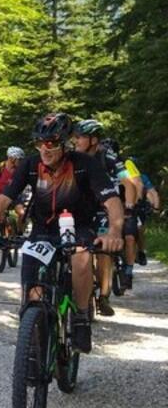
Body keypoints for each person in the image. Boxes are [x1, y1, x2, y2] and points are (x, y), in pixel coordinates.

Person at [0, 113, 124, 353]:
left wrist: (114, 231)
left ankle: (81, 317)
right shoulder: (31, 165)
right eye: (40, 142)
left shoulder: (85, 164)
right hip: (43, 229)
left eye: (52, 143)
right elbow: (4, 198)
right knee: (33, 290)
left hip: (78, 227)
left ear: (65, 144)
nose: (45, 149)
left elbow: (112, 200)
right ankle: (33, 330)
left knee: (81, 258)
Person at [73, 120, 135, 315]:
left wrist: (129, 206)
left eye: (80, 137)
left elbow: (128, 183)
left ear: (93, 140)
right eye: (75, 137)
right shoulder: (73, 158)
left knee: (103, 250)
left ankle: (103, 296)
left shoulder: (108, 157)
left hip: (105, 209)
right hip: (81, 209)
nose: (76, 141)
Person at [99, 137, 143, 291]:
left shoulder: (124, 164)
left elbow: (135, 184)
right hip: (103, 209)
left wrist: (132, 205)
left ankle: (129, 271)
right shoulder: (95, 165)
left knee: (130, 237)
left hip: (125, 206)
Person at [0, 146, 28, 232]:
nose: (21, 162)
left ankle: (20, 233)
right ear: (12, 159)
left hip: (14, 196)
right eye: (19, 159)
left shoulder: (20, 169)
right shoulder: (0, 167)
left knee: (22, 214)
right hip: (1, 196)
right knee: (1, 218)